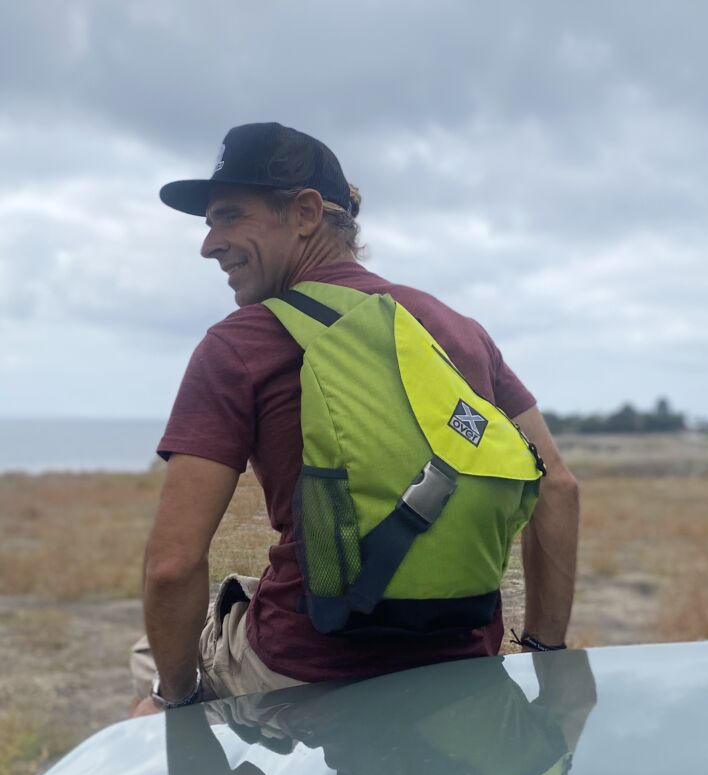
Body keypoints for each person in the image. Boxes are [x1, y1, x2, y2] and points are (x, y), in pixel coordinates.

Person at [131, 121, 579, 714]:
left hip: (297, 666)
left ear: (307, 213)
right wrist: (545, 650)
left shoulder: (239, 344)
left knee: (150, 662)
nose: (209, 244)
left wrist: (175, 699)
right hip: (462, 662)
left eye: (230, 216)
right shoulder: (459, 332)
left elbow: (171, 567)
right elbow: (560, 489)